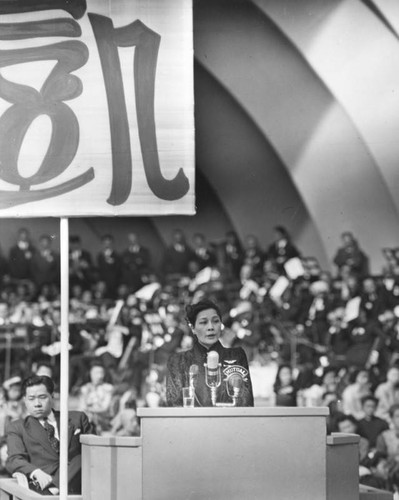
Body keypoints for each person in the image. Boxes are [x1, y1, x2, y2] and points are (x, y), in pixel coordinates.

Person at [6, 375, 94, 495]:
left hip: (79, 489)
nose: (37, 404)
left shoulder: (77, 418)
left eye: (42, 397)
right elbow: (14, 459)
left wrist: (56, 485)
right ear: (25, 400)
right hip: (42, 489)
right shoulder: (18, 427)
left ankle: (55, 487)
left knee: (83, 454)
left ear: (52, 397)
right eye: (31, 399)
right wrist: (35, 472)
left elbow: (94, 453)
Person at [166, 299, 254, 407]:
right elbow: (174, 407)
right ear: (193, 328)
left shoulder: (236, 356)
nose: (211, 327)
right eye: (203, 322)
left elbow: (246, 403)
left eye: (216, 321)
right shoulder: (178, 361)